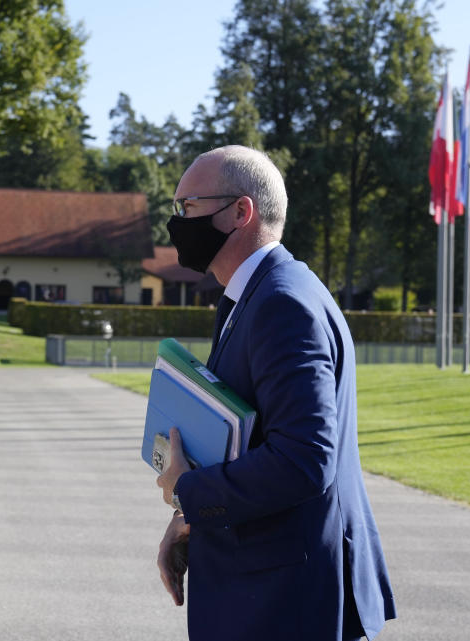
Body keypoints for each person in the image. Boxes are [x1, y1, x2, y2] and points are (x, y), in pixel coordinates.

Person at [155, 145, 395, 640]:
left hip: (287, 599)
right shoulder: (259, 294)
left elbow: (304, 459)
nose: (176, 224)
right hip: (272, 584)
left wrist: (189, 490)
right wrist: (189, 518)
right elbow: (254, 439)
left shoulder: (281, 303)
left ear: (240, 212)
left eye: (188, 208)